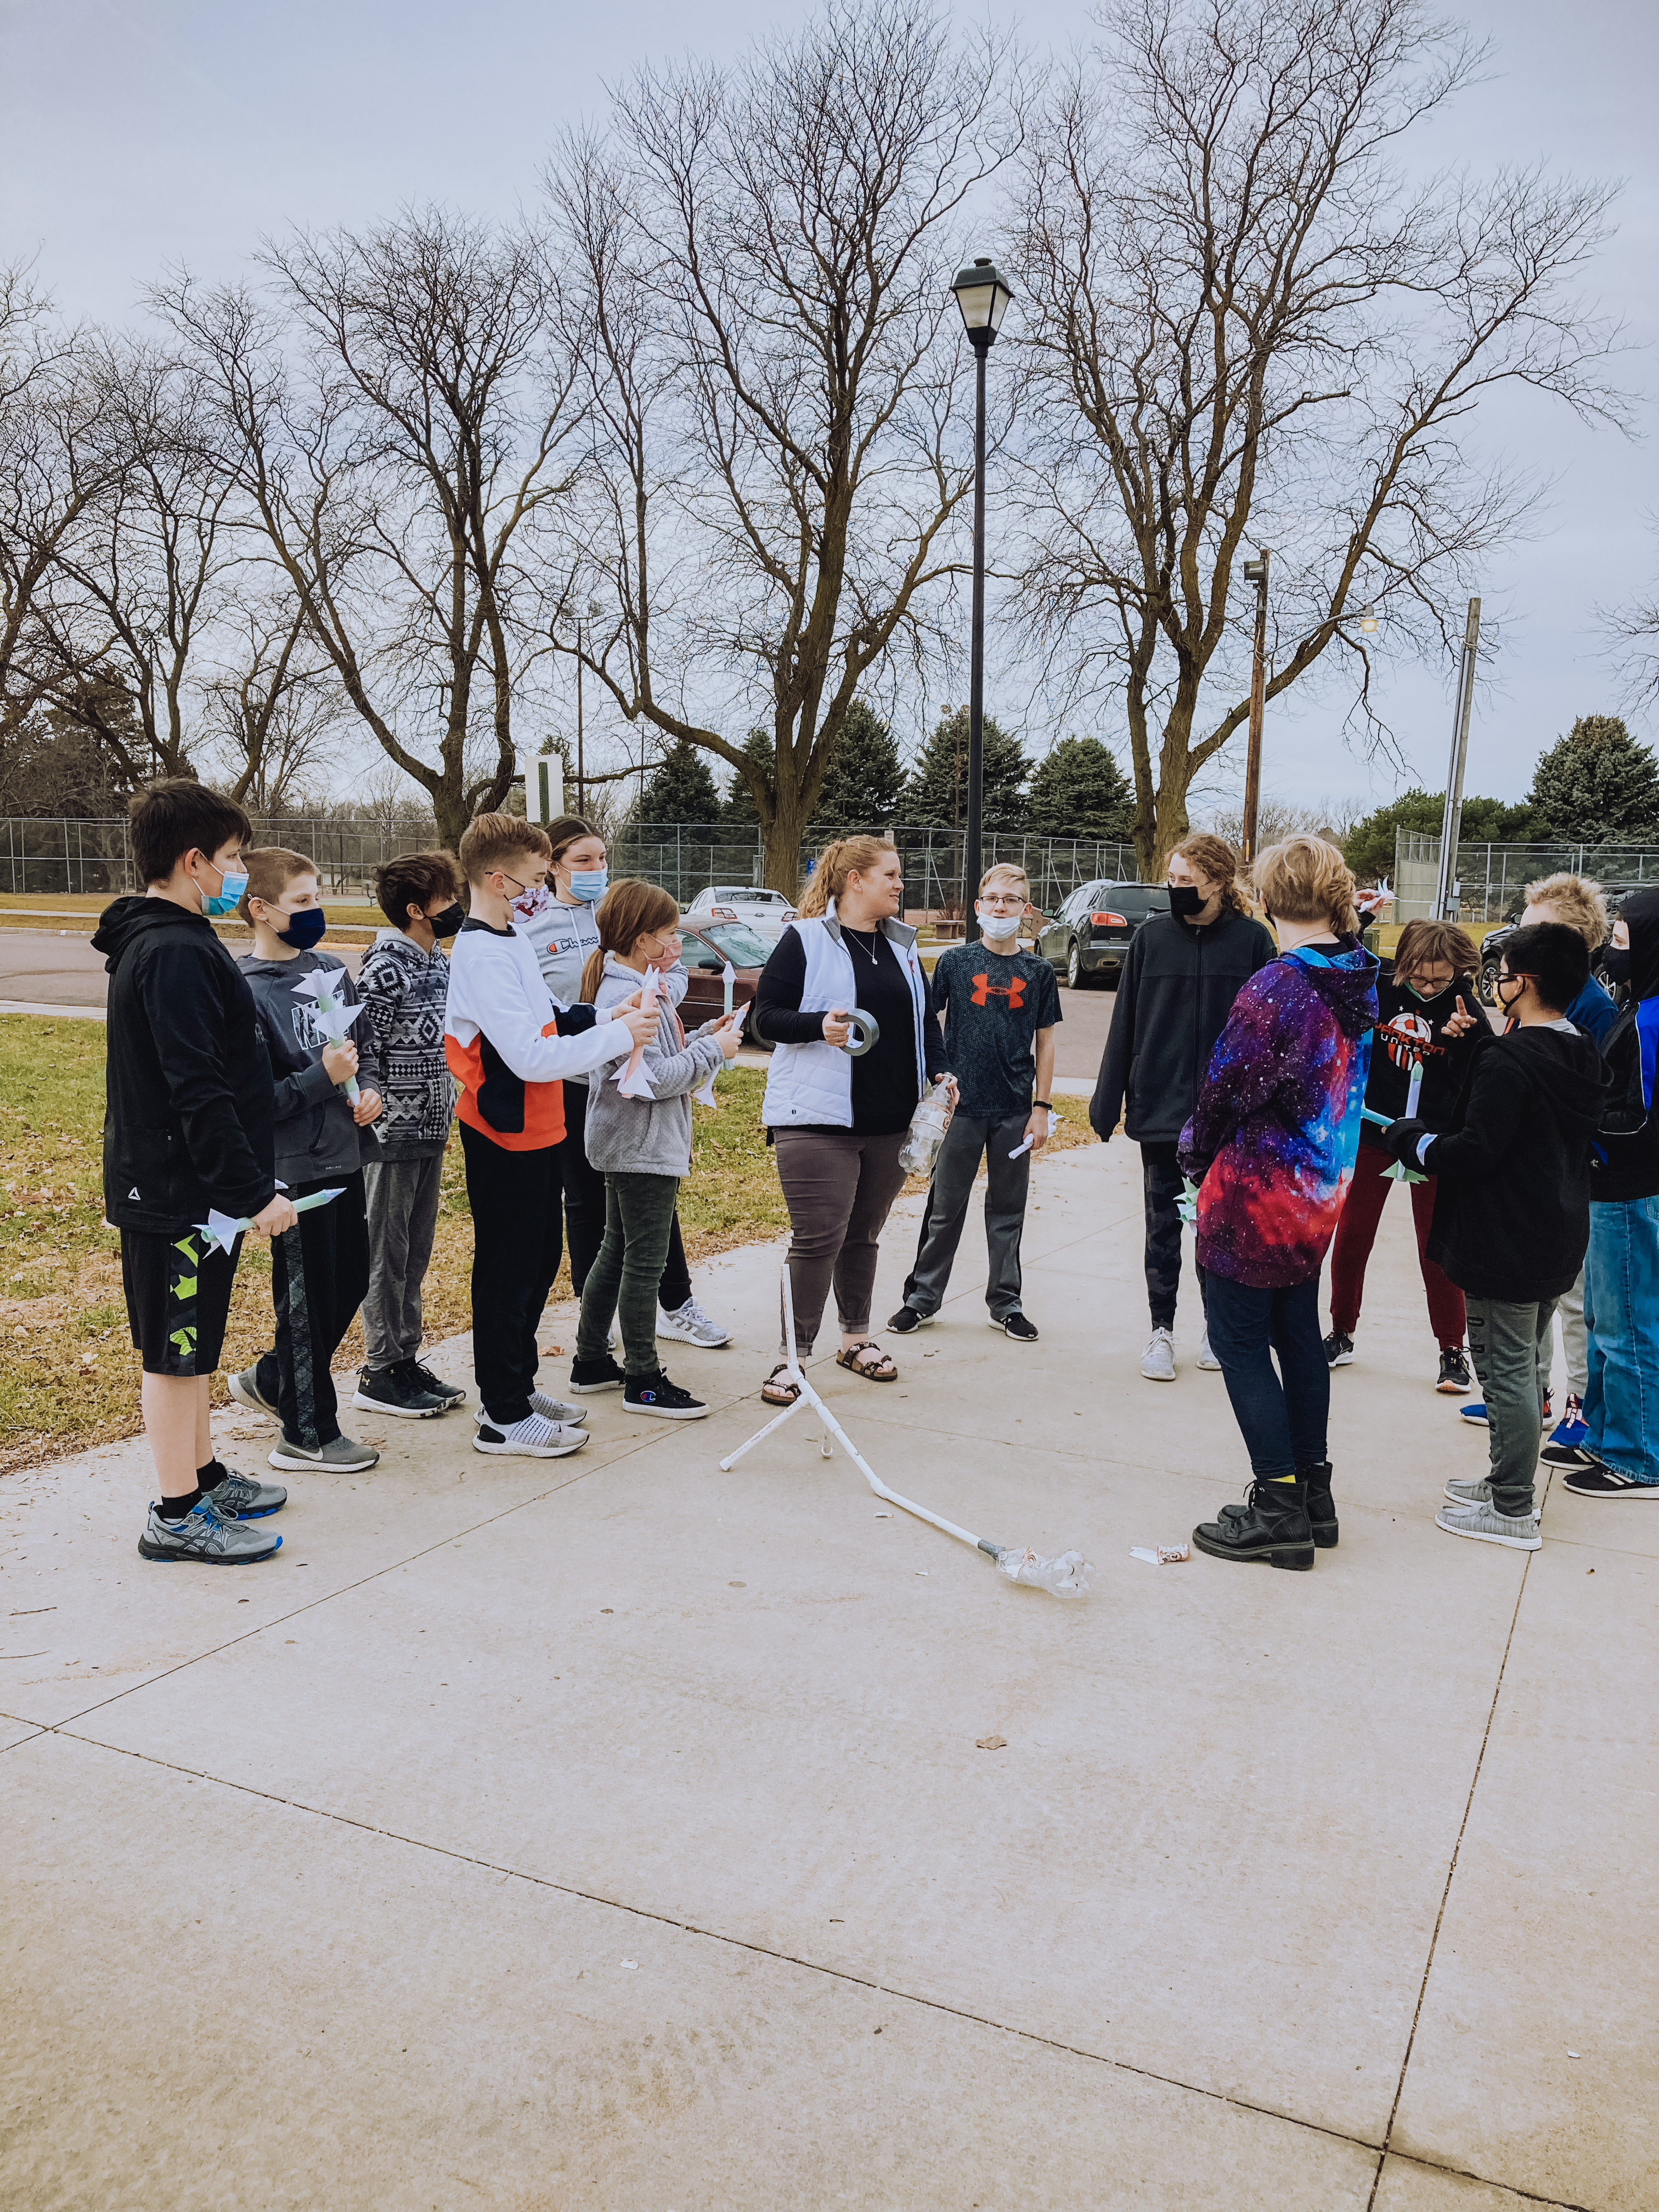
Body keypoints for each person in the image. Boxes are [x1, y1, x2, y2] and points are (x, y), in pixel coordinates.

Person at [93, 778, 296, 1564]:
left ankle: (202, 1474)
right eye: (234, 859)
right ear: (192, 862)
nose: (238, 874)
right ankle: (177, 1514)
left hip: (197, 1194)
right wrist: (251, 1191)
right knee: (176, 1355)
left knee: (196, 1343)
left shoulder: (175, 941)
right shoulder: (171, 950)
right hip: (180, 1196)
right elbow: (196, 1086)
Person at [1178, 837, 1379, 1569]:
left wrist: (1193, 1157)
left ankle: (1279, 1503)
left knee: (1238, 1341)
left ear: (1264, 900)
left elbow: (1225, 1089)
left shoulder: (1278, 987)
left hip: (1257, 1194)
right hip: (1320, 1190)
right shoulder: (1356, 976)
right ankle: (1314, 1492)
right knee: (1296, 1332)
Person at [1380, 923, 1607, 1547]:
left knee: (1505, 1371)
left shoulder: (1513, 1060)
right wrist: (1479, 1042)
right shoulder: (1577, 1047)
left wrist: (1411, 1138)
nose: (1494, 982)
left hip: (1504, 1243)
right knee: (1523, 1366)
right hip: (1554, 1234)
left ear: (1524, 983)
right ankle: (1506, 1478)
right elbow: (1525, 1109)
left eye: (1503, 971)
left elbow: (1474, 1149)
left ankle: (1511, 1506)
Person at [444, 812, 658, 1457]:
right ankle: (502, 1415)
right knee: (507, 1269)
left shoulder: (508, 940)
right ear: (497, 878)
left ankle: (517, 1382)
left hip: (539, 1127)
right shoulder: (481, 951)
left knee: (538, 1261)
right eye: (537, 878)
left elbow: (549, 1017)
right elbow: (529, 1056)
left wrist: (601, 1014)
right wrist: (620, 1037)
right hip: (501, 1130)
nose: (545, 888)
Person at [512, 816, 730, 1351]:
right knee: (587, 1205)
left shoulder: (620, 908)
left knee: (654, 1196)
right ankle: (597, 1317)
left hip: (636, 1057)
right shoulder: (530, 924)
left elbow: (669, 969)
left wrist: (652, 1002)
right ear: (554, 866)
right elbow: (541, 1007)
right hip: (572, 1077)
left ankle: (675, 1303)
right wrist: (605, 1018)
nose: (596, 869)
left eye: (602, 858)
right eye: (583, 861)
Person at [753, 834, 951, 1406]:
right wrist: (820, 1026)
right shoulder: (805, 939)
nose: (900, 883)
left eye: (899, 874)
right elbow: (765, 1019)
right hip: (816, 1121)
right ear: (854, 880)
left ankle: (856, 1340)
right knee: (819, 1238)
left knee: (862, 1236)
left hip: (891, 1122)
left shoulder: (903, 948)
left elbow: (926, 1026)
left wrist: (941, 1074)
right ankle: (793, 1359)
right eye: (890, 874)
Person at [1090, 832, 1277, 1380]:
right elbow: (1125, 1021)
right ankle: (1161, 1331)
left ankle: (1218, 1331)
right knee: (1163, 1226)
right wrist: (1108, 1100)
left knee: (1221, 1230)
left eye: (1185, 881)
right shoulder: (1150, 939)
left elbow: (1270, 1036)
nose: (1174, 889)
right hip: (1162, 1111)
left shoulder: (1252, 942)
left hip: (1230, 1119)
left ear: (1217, 882)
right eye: (1171, 879)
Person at [232, 849, 385, 1472]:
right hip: (291, 1175)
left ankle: (274, 1376)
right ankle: (307, 1430)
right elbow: (251, 1104)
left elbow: (361, 1048)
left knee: (348, 1278)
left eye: (317, 896)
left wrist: (367, 1088)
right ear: (260, 910)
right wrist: (323, 1080)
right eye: (300, 901)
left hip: (345, 1158)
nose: (314, 910)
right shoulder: (242, 993)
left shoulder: (329, 970)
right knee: (304, 1297)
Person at [572, 881, 743, 1416]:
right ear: (646, 940)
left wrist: (699, 1039)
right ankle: (643, 1381)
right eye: (671, 934)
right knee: (644, 1264)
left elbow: (656, 1063)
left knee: (615, 1250)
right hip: (640, 1147)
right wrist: (713, 1051)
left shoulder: (639, 985)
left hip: (632, 1143)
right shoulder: (628, 997)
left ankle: (591, 1360)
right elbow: (653, 1080)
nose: (677, 944)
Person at [1463, 874, 1618, 1454]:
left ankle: (1577, 1400)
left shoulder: (1593, 1010)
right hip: (1530, 1177)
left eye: (1533, 933)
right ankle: (1534, 1393)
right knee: (1533, 1303)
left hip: (1569, 1177)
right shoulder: (1524, 1000)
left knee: (1574, 1301)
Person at [888, 862, 1060, 1340]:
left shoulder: (1038, 971)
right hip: (960, 1109)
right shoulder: (955, 964)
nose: (1001, 907)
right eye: (993, 899)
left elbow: (1045, 1043)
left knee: (1008, 1210)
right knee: (944, 1208)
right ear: (979, 906)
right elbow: (927, 1022)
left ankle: (1006, 1303)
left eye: (1011, 900)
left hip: (1013, 1110)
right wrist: (930, 1085)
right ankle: (920, 1298)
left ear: (1024, 910)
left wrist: (1040, 1108)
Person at [1323, 918, 1483, 1390]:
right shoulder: (1378, 988)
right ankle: (1341, 1332)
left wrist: (1465, 1041)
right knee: (1353, 1234)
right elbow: (1330, 961)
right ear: (1403, 965)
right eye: (1418, 977)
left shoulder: (1466, 1008)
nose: (1428, 986)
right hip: (1376, 1129)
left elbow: (1484, 1074)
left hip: (1433, 1142)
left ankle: (1453, 1349)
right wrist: (1360, 921)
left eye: (1440, 978)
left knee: (1436, 1245)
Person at [352, 850, 470, 1419]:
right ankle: (379, 1367)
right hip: (390, 1132)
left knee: (415, 1251)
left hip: (431, 1126)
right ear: (418, 909)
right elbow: (359, 1045)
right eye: (449, 899)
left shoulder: (441, 961)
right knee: (386, 1251)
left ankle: (405, 1357)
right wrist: (371, 1102)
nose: (458, 909)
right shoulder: (385, 965)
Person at [1553, 891, 1659, 1496]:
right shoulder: (1638, 1004)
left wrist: (1577, 1122)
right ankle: (1602, 1434)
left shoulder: (1651, 1019)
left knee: (1629, 1326)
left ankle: (1639, 1455)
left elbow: (1638, 1118)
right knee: (1600, 1319)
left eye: (1621, 942)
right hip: (1608, 1187)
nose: (1610, 954)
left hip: (1632, 1191)